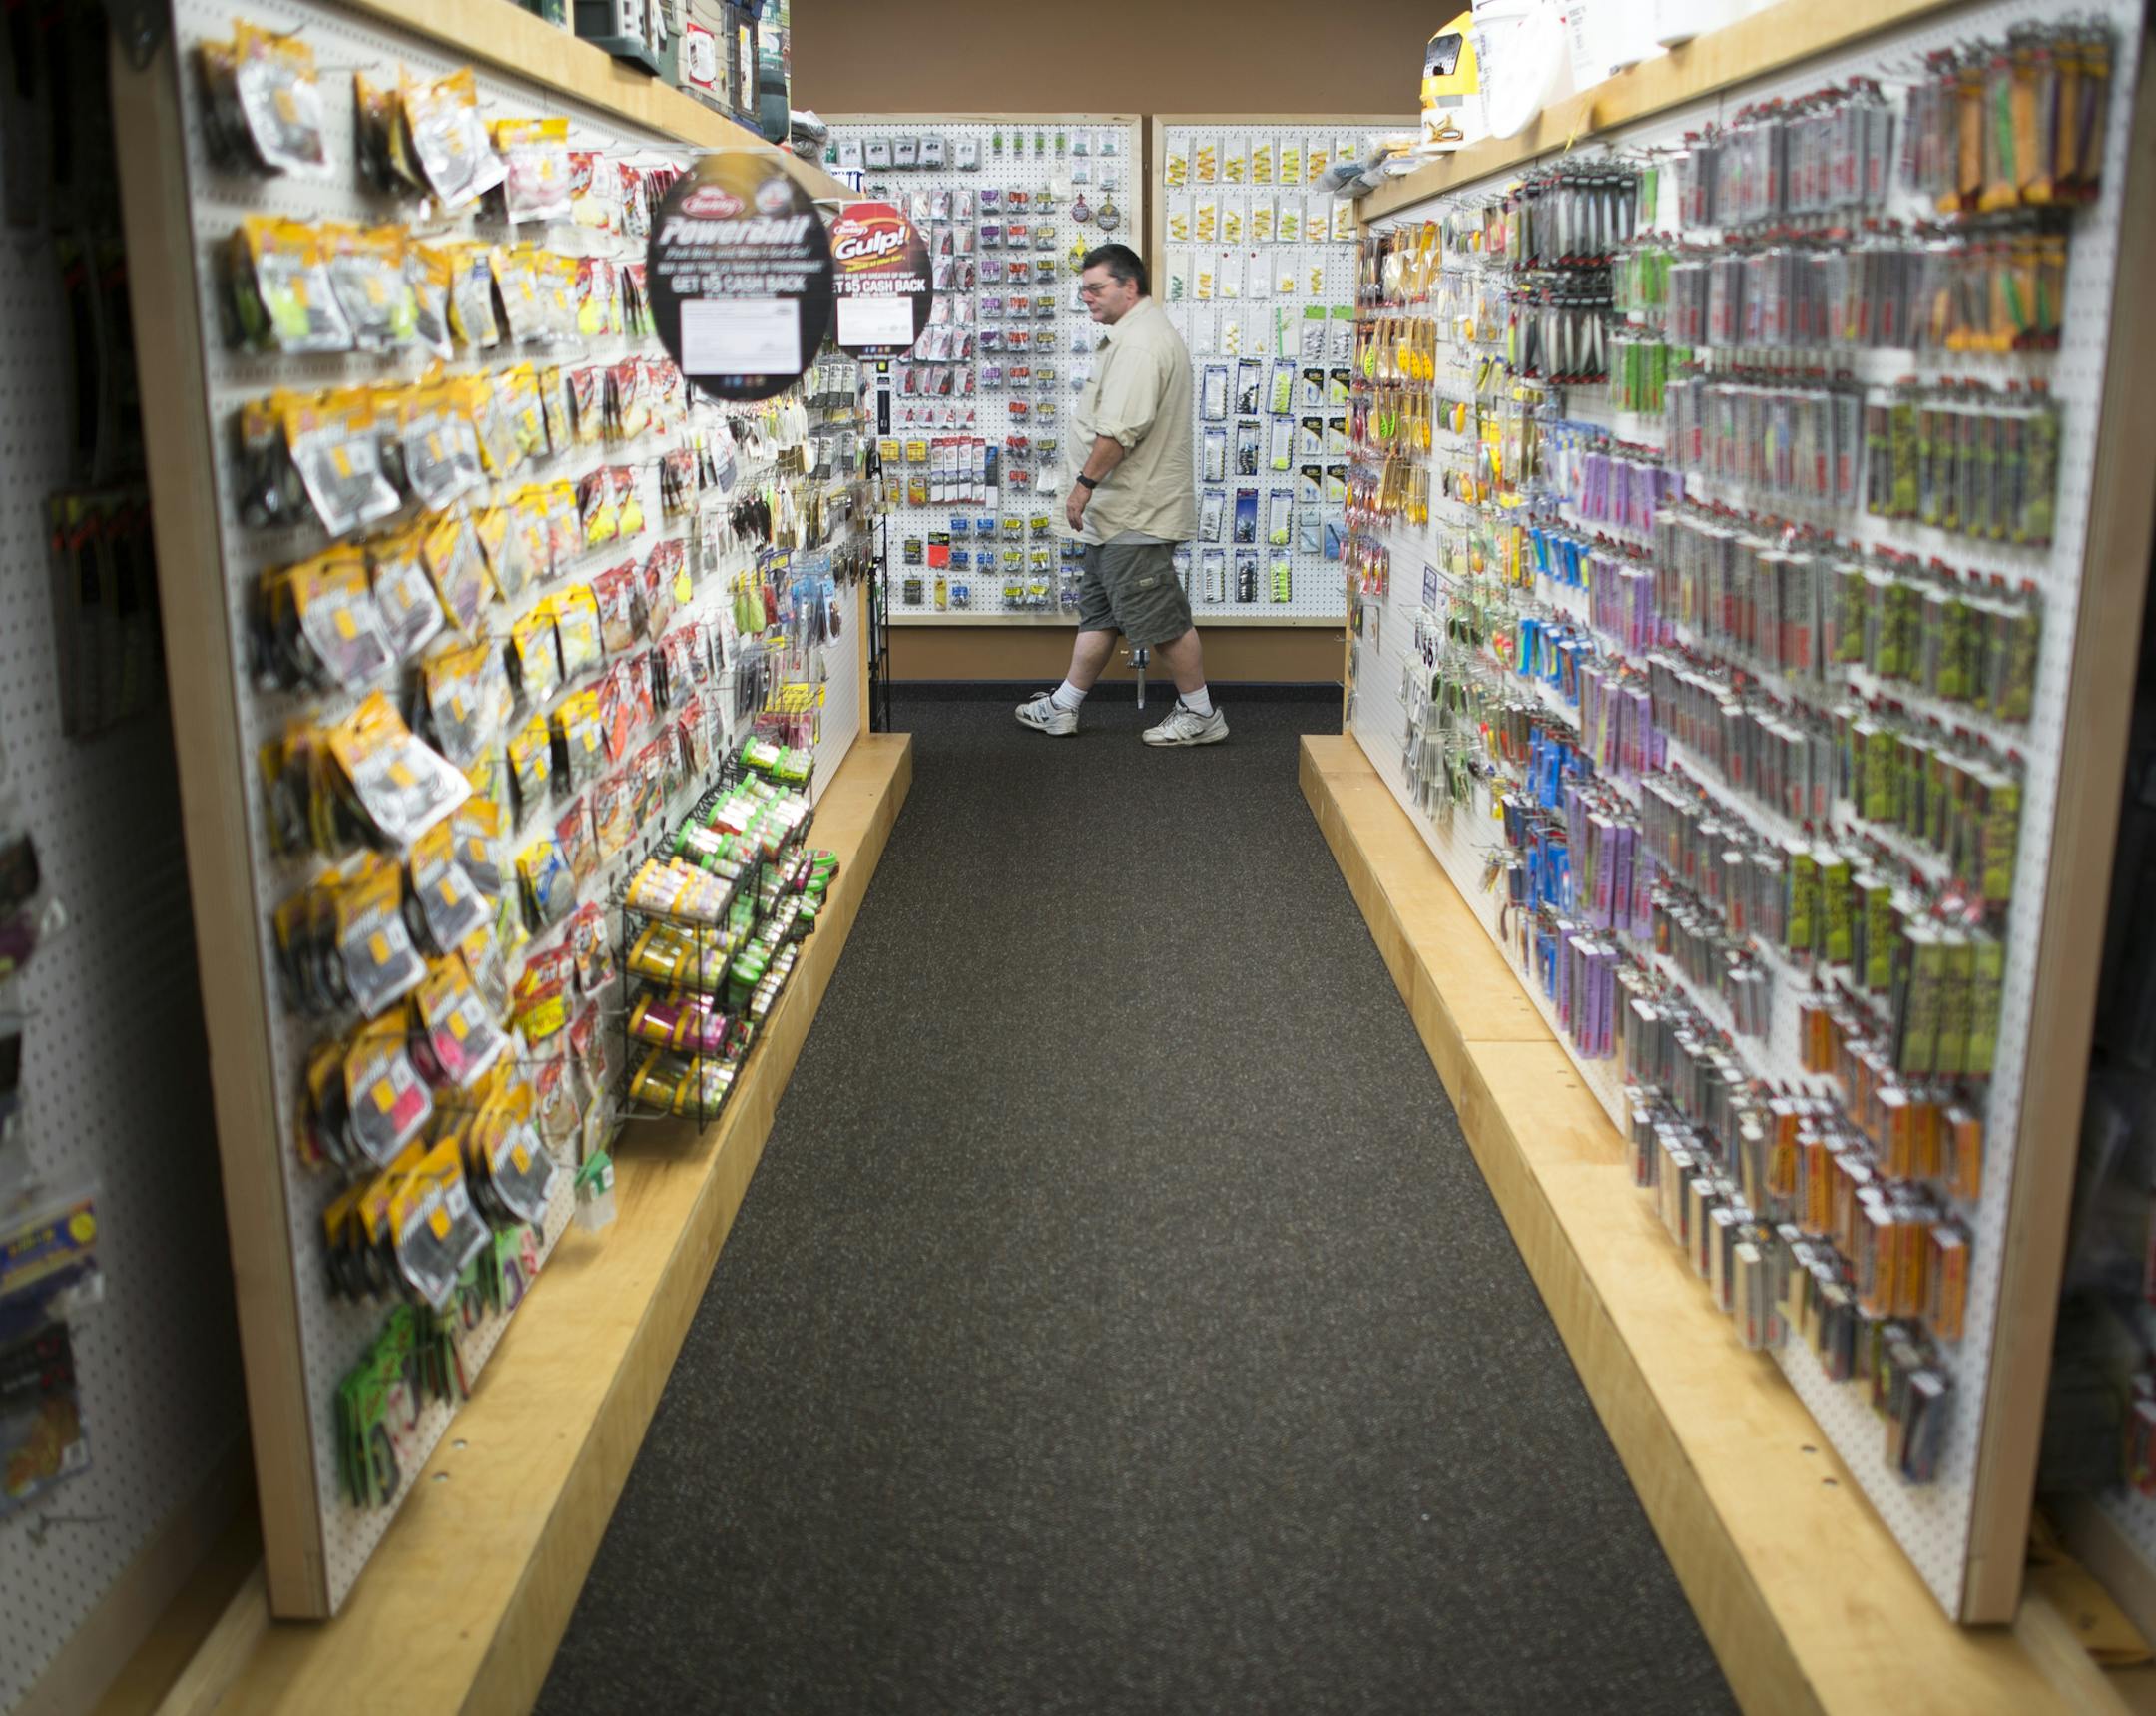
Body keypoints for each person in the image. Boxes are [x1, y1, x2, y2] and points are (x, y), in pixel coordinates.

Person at [1014, 244, 1227, 747]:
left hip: (1134, 512)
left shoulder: (1139, 345)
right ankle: (1064, 706)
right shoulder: (1131, 337)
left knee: (1161, 619)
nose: (1086, 297)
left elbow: (1119, 432)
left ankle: (1201, 713)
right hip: (1115, 514)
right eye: (1083, 289)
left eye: (1096, 288)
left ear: (1129, 287)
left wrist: (1082, 487)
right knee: (1100, 614)